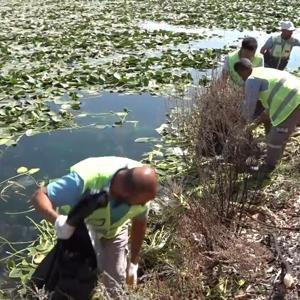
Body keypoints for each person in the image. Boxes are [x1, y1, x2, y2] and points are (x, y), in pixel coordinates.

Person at [32, 156, 158, 298]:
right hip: (81, 231)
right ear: (125, 193)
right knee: (66, 281)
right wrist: (58, 221)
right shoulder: (85, 180)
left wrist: (133, 263)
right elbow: (40, 195)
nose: (143, 206)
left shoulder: (142, 190)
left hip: (113, 231)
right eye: (140, 203)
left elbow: (140, 223)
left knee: (115, 286)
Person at [233, 58, 300, 177]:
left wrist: (242, 125)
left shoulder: (251, 80)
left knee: (276, 138)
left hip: (292, 101)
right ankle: (276, 158)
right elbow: (267, 111)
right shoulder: (261, 71)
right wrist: (256, 123)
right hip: (295, 94)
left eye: (240, 75)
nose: (241, 79)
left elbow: (249, 106)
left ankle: (269, 167)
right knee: (278, 133)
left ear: (242, 71)